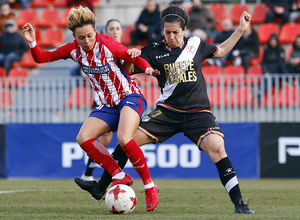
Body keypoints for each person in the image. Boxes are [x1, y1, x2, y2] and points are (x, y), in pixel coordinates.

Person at [75, 5, 255, 214]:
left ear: (184, 30)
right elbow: (128, 67)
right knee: (126, 140)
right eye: (167, 32)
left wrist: (241, 29)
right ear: (163, 31)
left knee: (218, 149)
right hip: (166, 112)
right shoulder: (153, 51)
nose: (171, 36)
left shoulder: (196, 45)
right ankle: (100, 187)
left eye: (175, 32)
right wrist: (128, 66)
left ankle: (239, 204)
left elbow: (222, 51)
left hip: (198, 113)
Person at [22, 6, 160, 212]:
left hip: (130, 97)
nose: (86, 41)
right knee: (83, 138)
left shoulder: (107, 43)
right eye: (81, 38)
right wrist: (32, 42)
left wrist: (147, 67)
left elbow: (131, 57)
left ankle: (150, 187)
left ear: (95, 31)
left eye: (89, 35)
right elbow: (42, 58)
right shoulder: (72, 50)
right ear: (74, 37)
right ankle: (119, 174)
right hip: (107, 105)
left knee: (123, 138)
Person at [79, 19, 141, 181]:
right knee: (103, 141)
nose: (114, 31)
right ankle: (89, 174)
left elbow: (130, 71)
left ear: (122, 31)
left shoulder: (125, 52)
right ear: (105, 32)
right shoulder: (99, 49)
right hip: (104, 102)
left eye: (117, 28)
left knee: (125, 139)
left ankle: (111, 178)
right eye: (111, 29)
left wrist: (131, 77)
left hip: (126, 99)